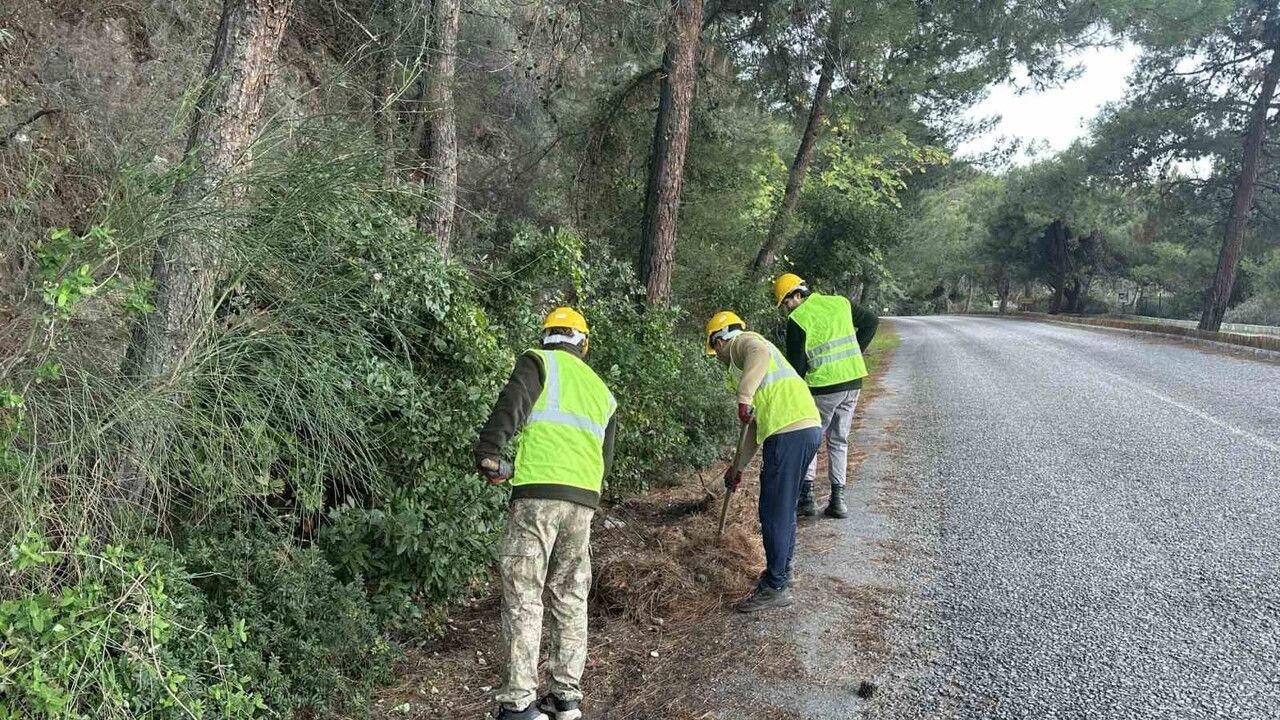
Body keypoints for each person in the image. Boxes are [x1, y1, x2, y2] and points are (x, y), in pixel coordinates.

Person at [474, 307, 617, 720]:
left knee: (524, 595)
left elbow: (511, 405)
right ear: (583, 344)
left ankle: (519, 703)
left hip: (536, 499)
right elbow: (604, 460)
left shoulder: (538, 362)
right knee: (570, 595)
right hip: (583, 503)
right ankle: (565, 698)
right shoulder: (601, 390)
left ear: (547, 337)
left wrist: (490, 453)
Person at [705, 310, 821, 613]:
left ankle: (775, 586)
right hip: (805, 427)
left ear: (719, 340)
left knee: (773, 511)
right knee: (783, 507)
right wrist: (738, 467)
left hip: (789, 430)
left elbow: (757, 350)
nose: (716, 357)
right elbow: (753, 427)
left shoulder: (745, 343)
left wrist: (743, 397)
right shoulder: (755, 368)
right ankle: (782, 572)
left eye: (714, 349)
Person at [772, 273, 879, 519]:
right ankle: (838, 501)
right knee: (840, 440)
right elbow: (871, 321)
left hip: (823, 387)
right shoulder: (839, 302)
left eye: (786, 303)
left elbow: (797, 368)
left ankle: (807, 499)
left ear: (797, 295)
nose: (786, 309)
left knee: (813, 437)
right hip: (852, 381)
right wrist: (856, 352)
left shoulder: (798, 319)